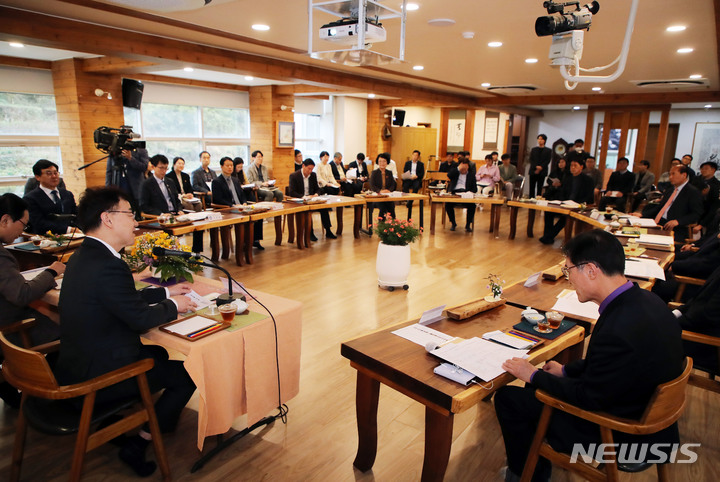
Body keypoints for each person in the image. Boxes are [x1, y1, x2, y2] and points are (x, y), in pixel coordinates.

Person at [495, 229, 684, 482]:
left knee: (509, 398)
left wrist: (533, 375)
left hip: (622, 432)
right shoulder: (646, 300)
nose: (568, 279)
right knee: (539, 385)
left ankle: (528, 475)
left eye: (568, 270)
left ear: (591, 270)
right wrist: (565, 371)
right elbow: (613, 366)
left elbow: (589, 397)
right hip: (649, 415)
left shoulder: (618, 327)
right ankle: (533, 463)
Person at [54, 187, 196, 477]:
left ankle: (124, 419)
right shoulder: (108, 264)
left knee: (156, 352)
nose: (135, 221)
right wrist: (176, 306)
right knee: (188, 374)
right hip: (97, 376)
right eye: (130, 213)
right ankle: (142, 440)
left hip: (74, 362)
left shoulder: (83, 255)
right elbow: (139, 319)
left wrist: (165, 297)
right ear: (107, 218)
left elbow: (117, 302)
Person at [638, 164, 703, 243]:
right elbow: (660, 207)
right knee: (636, 232)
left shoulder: (693, 192)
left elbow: (696, 214)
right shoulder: (670, 189)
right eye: (670, 174)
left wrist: (678, 221)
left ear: (684, 175)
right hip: (659, 222)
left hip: (675, 226)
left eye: (673, 174)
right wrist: (642, 214)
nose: (670, 177)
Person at [673, 264, 720, 373]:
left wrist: (668, 321)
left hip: (706, 345)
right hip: (692, 323)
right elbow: (699, 299)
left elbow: (707, 316)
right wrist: (676, 313)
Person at [212, 156, 265, 250]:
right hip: (228, 208)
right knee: (243, 219)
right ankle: (243, 243)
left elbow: (242, 194)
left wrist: (244, 202)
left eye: (231, 165)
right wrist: (232, 205)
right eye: (227, 165)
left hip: (240, 207)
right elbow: (217, 199)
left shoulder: (235, 180)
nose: (230, 167)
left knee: (258, 215)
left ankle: (255, 240)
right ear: (221, 166)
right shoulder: (217, 181)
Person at [539, 159, 595, 244]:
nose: (572, 168)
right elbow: (562, 192)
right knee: (548, 211)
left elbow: (588, 196)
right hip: (566, 204)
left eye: (575, 165)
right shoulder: (568, 179)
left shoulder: (588, 180)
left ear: (581, 167)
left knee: (566, 217)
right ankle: (548, 235)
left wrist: (577, 203)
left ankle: (549, 236)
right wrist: (563, 201)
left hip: (579, 205)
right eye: (571, 166)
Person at [23, 159, 78, 235]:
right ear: (38, 177)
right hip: (46, 239)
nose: (54, 176)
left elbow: (76, 215)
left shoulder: (67, 194)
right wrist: (68, 230)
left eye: (56, 173)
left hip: (73, 236)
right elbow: (39, 224)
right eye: (49, 174)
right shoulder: (30, 198)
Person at [288, 159, 335, 240]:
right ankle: (310, 232)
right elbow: (292, 192)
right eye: (309, 168)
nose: (310, 171)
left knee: (324, 208)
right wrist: (304, 197)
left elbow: (318, 189)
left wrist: (316, 194)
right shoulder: (294, 176)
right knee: (308, 211)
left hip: (311, 199)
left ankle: (328, 230)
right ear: (303, 166)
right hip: (300, 200)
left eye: (312, 169)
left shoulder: (313, 175)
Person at [105, 145, 150, 214]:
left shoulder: (140, 150)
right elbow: (109, 172)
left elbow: (144, 167)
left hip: (135, 190)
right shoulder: (115, 150)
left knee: (137, 214)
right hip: (118, 188)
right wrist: (108, 190)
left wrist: (130, 158)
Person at [445, 158, 477, 232]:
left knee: (472, 205)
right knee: (448, 205)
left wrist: (469, 193)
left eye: (466, 168)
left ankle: (468, 224)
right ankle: (453, 223)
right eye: (463, 168)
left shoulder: (471, 175)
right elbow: (449, 175)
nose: (464, 170)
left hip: (466, 193)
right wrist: (459, 169)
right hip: (455, 192)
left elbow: (475, 189)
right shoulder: (455, 172)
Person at [694, 161, 720, 233]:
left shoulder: (717, 185)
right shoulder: (695, 180)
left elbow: (714, 206)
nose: (703, 170)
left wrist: (702, 224)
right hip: (691, 212)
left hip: (705, 215)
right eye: (702, 168)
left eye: (706, 168)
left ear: (713, 170)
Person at [369, 153, 396, 219]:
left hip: (387, 195)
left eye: (384, 161)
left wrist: (389, 190)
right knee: (383, 207)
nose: (382, 163)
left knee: (391, 206)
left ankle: (393, 224)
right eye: (380, 161)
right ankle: (381, 225)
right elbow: (372, 186)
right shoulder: (374, 173)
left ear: (387, 162)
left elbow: (393, 184)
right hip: (377, 196)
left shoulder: (389, 172)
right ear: (378, 163)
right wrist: (380, 191)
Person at [401, 150, 425, 219]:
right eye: (413, 155)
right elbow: (405, 170)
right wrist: (409, 176)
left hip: (416, 178)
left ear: (418, 157)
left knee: (416, 186)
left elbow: (422, 173)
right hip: (409, 178)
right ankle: (408, 199)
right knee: (405, 186)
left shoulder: (421, 164)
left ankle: (410, 201)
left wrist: (416, 176)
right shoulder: (407, 163)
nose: (414, 157)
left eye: (416, 155)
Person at [528, 134, 552, 198]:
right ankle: (531, 201)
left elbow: (548, 160)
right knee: (532, 187)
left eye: (541, 139)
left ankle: (538, 200)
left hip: (542, 171)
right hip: (533, 170)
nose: (539, 140)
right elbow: (531, 159)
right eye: (538, 139)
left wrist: (541, 167)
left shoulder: (548, 150)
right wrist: (536, 167)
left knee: (539, 187)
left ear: (544, 140)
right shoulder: (534, 149)